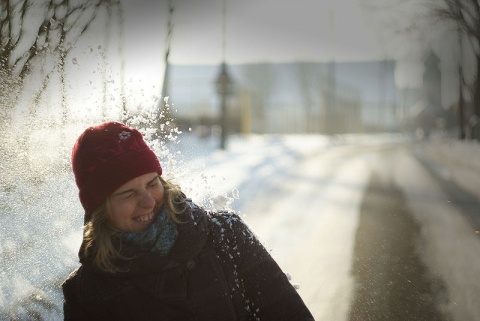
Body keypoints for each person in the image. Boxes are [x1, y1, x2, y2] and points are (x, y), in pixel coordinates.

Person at [62, 121, 315, 321]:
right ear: (100, 209)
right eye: (128, 194)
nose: (149, 201)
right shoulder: (89, 294)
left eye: (152, 183)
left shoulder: (226, 236)